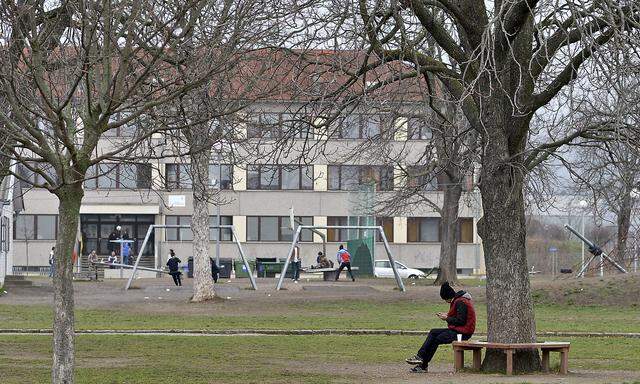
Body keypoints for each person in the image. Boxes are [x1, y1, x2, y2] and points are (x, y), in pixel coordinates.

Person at [405, 282, 476, 373]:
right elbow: (459, 317)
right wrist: (447, 315)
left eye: (445, 299)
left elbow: (461, 321)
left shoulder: (460, 302)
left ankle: (423, 366)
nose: (445, 302)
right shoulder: (459, 300)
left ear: (448, 297)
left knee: (437, 339)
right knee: (433, 332)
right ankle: (420, 356)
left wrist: (447, 318)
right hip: (459, 330)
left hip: (463, 333)